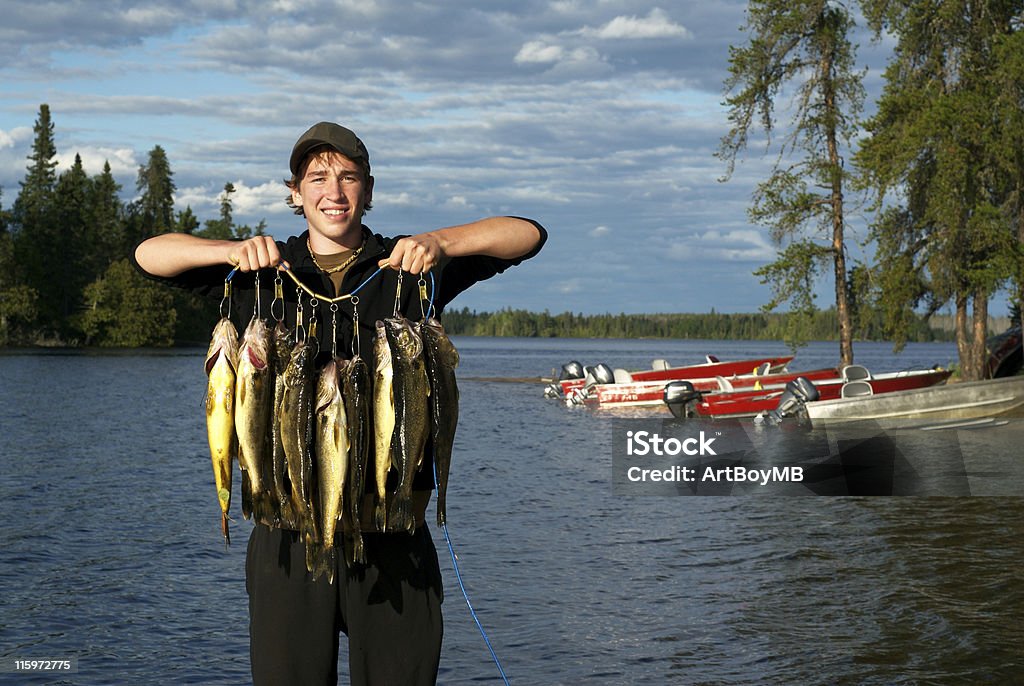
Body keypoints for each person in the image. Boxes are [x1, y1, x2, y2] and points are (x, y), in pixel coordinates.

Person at [133, 121, 546, 685]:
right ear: (296, 193)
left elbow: (528, 234)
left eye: (349, 177)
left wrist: (442, 242)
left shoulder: (407, 270)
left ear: (369, 190)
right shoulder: (258, 273)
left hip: (394, 529)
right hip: (285, 533)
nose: (335, 191)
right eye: (318, 178)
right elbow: (148, 255)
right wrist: (232, 248)